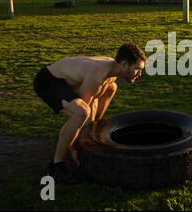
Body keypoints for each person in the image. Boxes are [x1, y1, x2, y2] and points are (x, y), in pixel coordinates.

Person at [33, 43, 146, 183]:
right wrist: (77, 147)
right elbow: (85, 106)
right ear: (124, 64)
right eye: (137, 69)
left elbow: (95, 98)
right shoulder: (97, 76)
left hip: (65, 80)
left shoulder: (112, 69)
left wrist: (92, 130)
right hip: (48, 81)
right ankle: (57, 166)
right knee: (81, 113)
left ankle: (94, 131)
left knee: (111, 87)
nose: (139, 74)